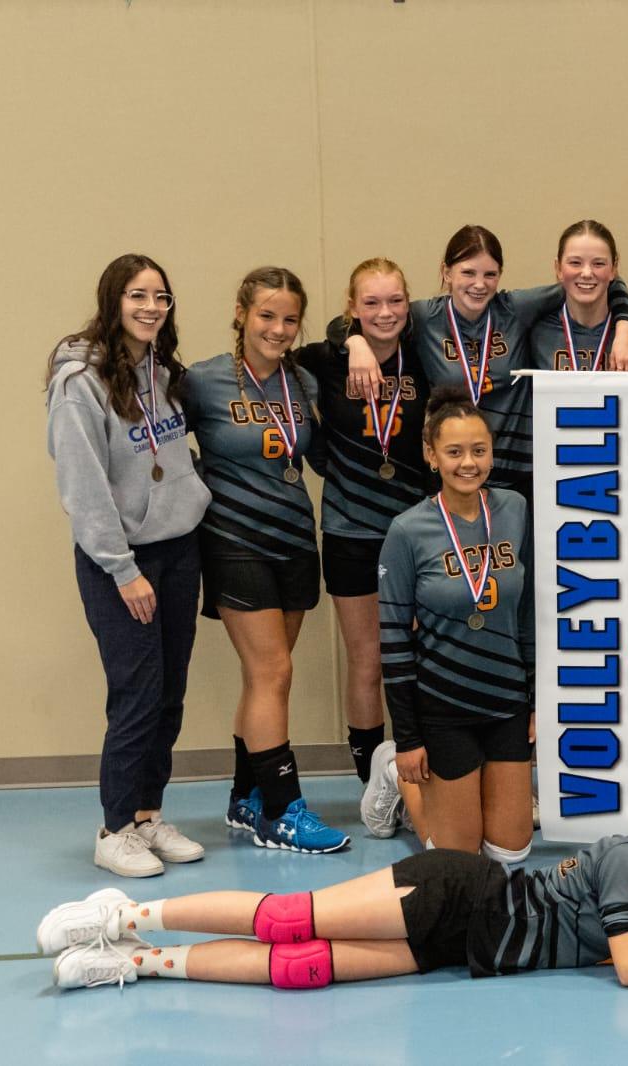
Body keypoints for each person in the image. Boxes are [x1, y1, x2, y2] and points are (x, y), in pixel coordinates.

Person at [35, 772, 628, 990]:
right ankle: (126, 914)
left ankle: (133, 963)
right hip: (460, 893)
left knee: (303, 970)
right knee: (288, 921)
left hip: (474, 951)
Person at [45, 253, 211, 878]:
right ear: (113, 300)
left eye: (161, 298)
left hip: (177, 549)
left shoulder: (160, 372)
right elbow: (84, 488)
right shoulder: (78, 384)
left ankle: (147, 815)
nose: (151, 308)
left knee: (169, 691)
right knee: (137, 693)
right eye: (138, 296)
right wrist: (121, 568)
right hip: (122, 560)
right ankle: (113, 828)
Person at [185, 266, 348, 854]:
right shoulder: (202, 382)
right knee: (273, 672)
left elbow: (323, 453)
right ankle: (283, 809)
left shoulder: (301, 382)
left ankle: (244, 796)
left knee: (266, 680)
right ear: (241, 313)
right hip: (234, 541)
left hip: (294, 541)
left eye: (288, 319)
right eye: (266, 316)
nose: (278, 329)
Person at [289, 258, 431, 841]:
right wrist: (350, 344)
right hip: (350, 530)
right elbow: (290, 361)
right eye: (370, 304)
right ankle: (373, 780)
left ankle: (418, 772)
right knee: (367, 660)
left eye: (395, 301)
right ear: (352, 308)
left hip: (417, 533)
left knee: (419, 660)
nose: (385, 313)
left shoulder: (426, 353)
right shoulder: (329, 356)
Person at [343, 225, 628, 499]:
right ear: (446, 272)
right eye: (468, 273)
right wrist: (355, 342)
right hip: (452, 474)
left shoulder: (515, 309)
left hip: (515, 475)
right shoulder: (424, 318)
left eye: (490, 274)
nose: (479, 284)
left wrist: (625, 327)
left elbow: (590, 281)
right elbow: (355, 318)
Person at [374, 389, 535, 861]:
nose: (469, 463)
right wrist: (407, 739)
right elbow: (393, 638)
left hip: (505, 700)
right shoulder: (407, 531)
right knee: (458, 864)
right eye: (455, 452)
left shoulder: (514, 510)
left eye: (479, 450)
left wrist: (534, 699)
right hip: (443, 706)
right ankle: (398, 779)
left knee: (510, 854)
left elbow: (527, 612)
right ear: (431, 455)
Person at [529, 220, 628, 372]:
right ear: (558, 268)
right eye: (575, 263)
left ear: (613, 269)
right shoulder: (535, 328)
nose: (587, 273)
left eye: (598, 264)